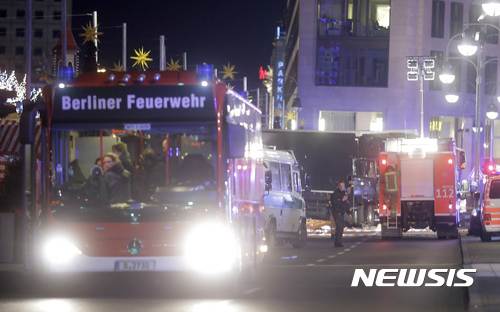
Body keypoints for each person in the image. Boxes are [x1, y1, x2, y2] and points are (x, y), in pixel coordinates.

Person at [330, 181, 352, 247]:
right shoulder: (335, 194)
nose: (341, 187)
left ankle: (338, 242)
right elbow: (335, 203)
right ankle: (337, 242)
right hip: (336, 212)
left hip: (341, 213)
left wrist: (349, 213)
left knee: (341, 227)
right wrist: (342, 200)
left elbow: (346, 205)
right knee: (339, 227)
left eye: (343, 186)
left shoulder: (344, 194)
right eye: (340, 185)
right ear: (338, 186)